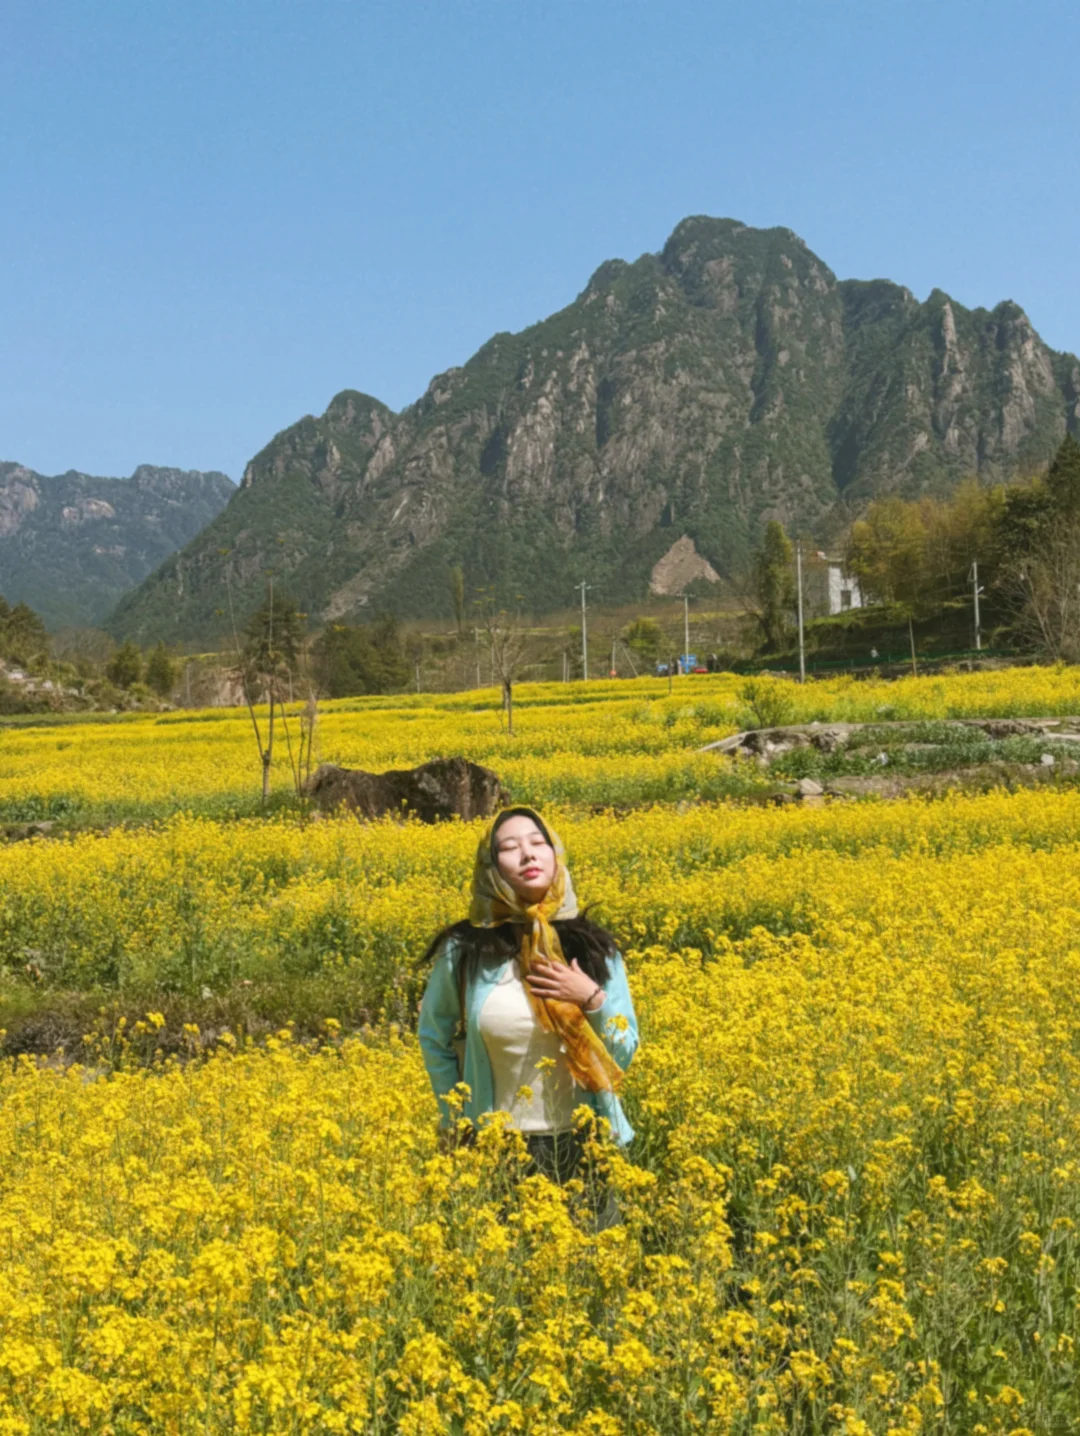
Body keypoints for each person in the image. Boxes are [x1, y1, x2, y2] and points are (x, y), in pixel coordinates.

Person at [418, 806, 638, 1212]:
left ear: (556, 855)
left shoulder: (592, 949)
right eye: (510, 847)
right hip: (495, 1147)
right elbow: (434, 1036)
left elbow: (622, 1053)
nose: (528, 855)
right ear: (491, 867)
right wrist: (457, 1116)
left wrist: (590, 998)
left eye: (539, 844)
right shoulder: (466, 951)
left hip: (586, 1141)